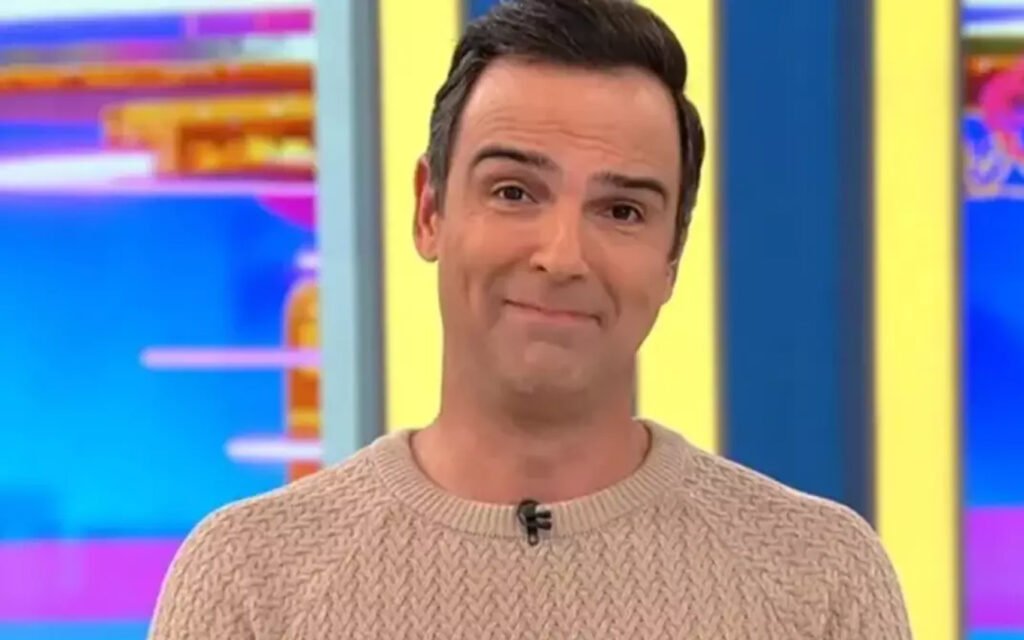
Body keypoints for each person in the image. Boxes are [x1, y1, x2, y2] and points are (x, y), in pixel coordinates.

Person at [148, 0, 913, 637]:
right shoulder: (251, 580)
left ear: (672, 257)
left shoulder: (820, 578)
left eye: (621, 210)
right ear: (429, 210)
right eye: (514, 192)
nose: (562, 255)